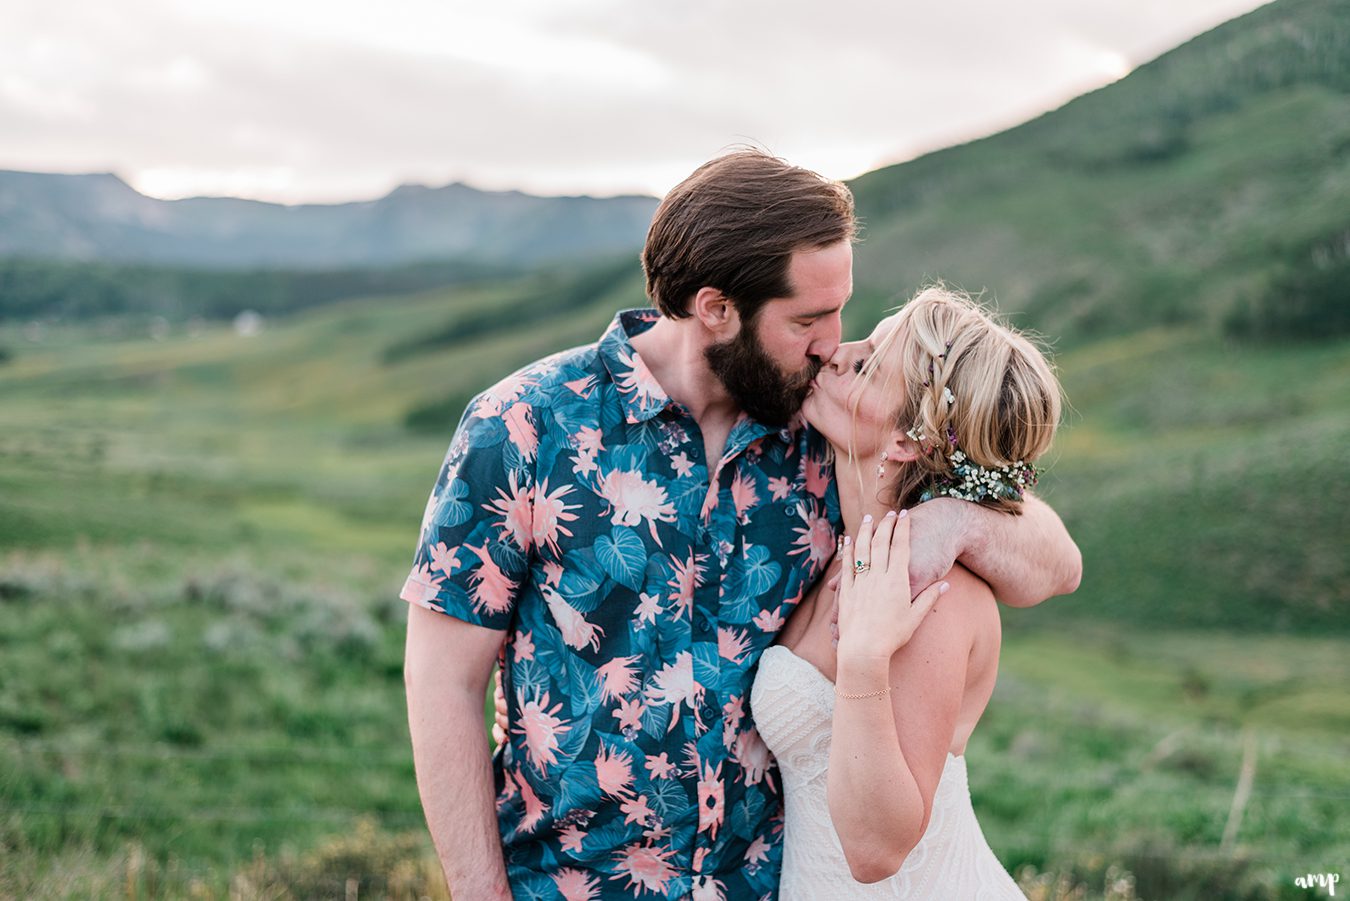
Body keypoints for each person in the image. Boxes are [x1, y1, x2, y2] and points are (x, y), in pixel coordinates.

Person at [401, 150, 1081, 900]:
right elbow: (444, 685)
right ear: (717, 309)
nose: (832, 342)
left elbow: (1055, 558)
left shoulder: (822, 441)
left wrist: (954, 521)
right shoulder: (524, 426)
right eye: (808, 319)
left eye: (839, 310)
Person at [752, 286, 1060, 898]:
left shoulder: (939, 596)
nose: (837, 353)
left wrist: (864, 657)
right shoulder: (843, 548)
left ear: (907, 441)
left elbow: (874, 850)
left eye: (866, 364)